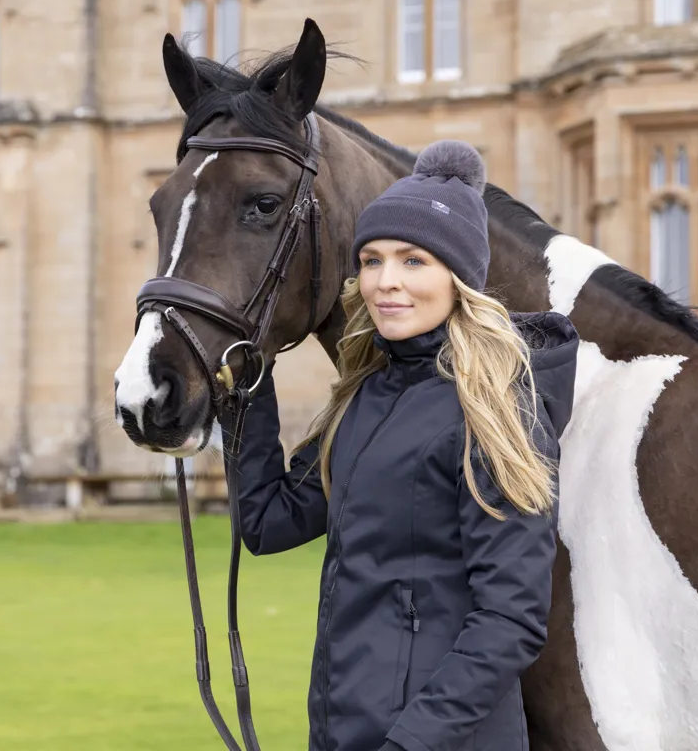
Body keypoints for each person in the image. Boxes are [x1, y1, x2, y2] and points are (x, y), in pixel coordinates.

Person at [231, 139, 579, 751]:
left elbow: (510, 620)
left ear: (459, 277)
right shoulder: (363, 396)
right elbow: (268, 522)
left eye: (413, 260)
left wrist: (409, 743)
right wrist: (248, 386)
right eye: (371, 260)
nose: (386, 282)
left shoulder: (499, 411)